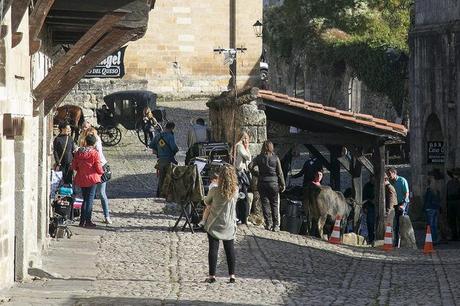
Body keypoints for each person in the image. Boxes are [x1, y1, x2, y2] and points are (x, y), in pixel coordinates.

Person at [203, 165, 239, 284]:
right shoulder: (236, 191)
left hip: (214, 224)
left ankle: (212, 275)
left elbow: (207, 201)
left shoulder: (214, 190)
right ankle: (232, 276)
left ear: (221, 177)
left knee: (213, 249)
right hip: (229, 224)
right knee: (230, 250)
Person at [249, 140, 285, 231]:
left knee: (265, 204)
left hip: (262, 183)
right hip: (273, 184)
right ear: (271, 147)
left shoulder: (259, 158)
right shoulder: (276, 158)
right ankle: (276, 225)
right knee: (274, 204)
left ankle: (268, 224)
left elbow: (250, 166)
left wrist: (256, 174)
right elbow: (280, 173)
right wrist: (283, 184)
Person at [72, 134, 104, 228]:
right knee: (89, 200)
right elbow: (98, 167)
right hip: (92, 178)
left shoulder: (79, 152)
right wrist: (102, 172)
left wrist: (81, 169)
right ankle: (88, 221)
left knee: (84, 199)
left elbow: (74, 166)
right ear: (94, 143)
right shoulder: (94, 153)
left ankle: (82, 221)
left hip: (81, 178)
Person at [84, 127, 112, 224]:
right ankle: (87, 218)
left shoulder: (97, 142)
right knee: (90, 195)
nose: (91, 135)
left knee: (101, 193)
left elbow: (99, 155)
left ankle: (107, 215)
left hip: (101, 167)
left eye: (92, 133)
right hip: (91, 170)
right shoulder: (86, 143)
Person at [150, 121, 179, 197]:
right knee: (170, 177)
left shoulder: (158, 135)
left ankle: (159, 194)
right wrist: (176, 150)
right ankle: (168, 194)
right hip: (169, 160)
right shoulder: (170, 136)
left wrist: (158, 151)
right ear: (172, 128)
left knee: (161, 178)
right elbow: (173, 148)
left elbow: (151, 145)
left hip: (161, 160)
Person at [387, 167, 410, 247]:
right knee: (395, 224)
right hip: (395, 204)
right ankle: (396, 243)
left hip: (403, 203)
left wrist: (403, 205)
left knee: (402, 223)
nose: (389, 176)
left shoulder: (402, 180)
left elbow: (407, 193)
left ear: (394, 173)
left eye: (390, 174)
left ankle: (405, 242)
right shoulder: (391, 182)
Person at [234, 131, 252, 224]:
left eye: (247, 138)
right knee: (243, 196)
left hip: (242, 173)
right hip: (240, 173)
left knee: (242, 195)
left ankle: (241, 217)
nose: (246, 140)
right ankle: (243, 217)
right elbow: (248, 157)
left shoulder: (240, 146)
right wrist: (247, 148)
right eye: (244, 138)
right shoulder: (240, 146)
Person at [424, 170, 442, 244]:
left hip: (429, 209)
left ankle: (430, 240)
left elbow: (427, 200)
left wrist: (424, 208)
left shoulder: (429, 190)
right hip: (436, 209)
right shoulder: (437, 190)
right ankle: (435, 239)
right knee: (434, 225)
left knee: (430, 225)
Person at [447, 167, 460, 241]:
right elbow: (447, 193)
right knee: (451, 219)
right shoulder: (449, 183)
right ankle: (454, 235)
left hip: (458, 201)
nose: (455, 176)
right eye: (454, 174)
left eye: (457, 174)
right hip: (450, 202)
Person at [362, 176, 375, 245]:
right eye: (371, 178)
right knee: (370, 223)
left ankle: (377, 238)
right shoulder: (367, 186)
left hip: (378, 207)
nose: (372, 180)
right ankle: (371, 239)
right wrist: (364, 207)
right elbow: (364, 197)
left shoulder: (379, 184)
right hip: (369, 207)